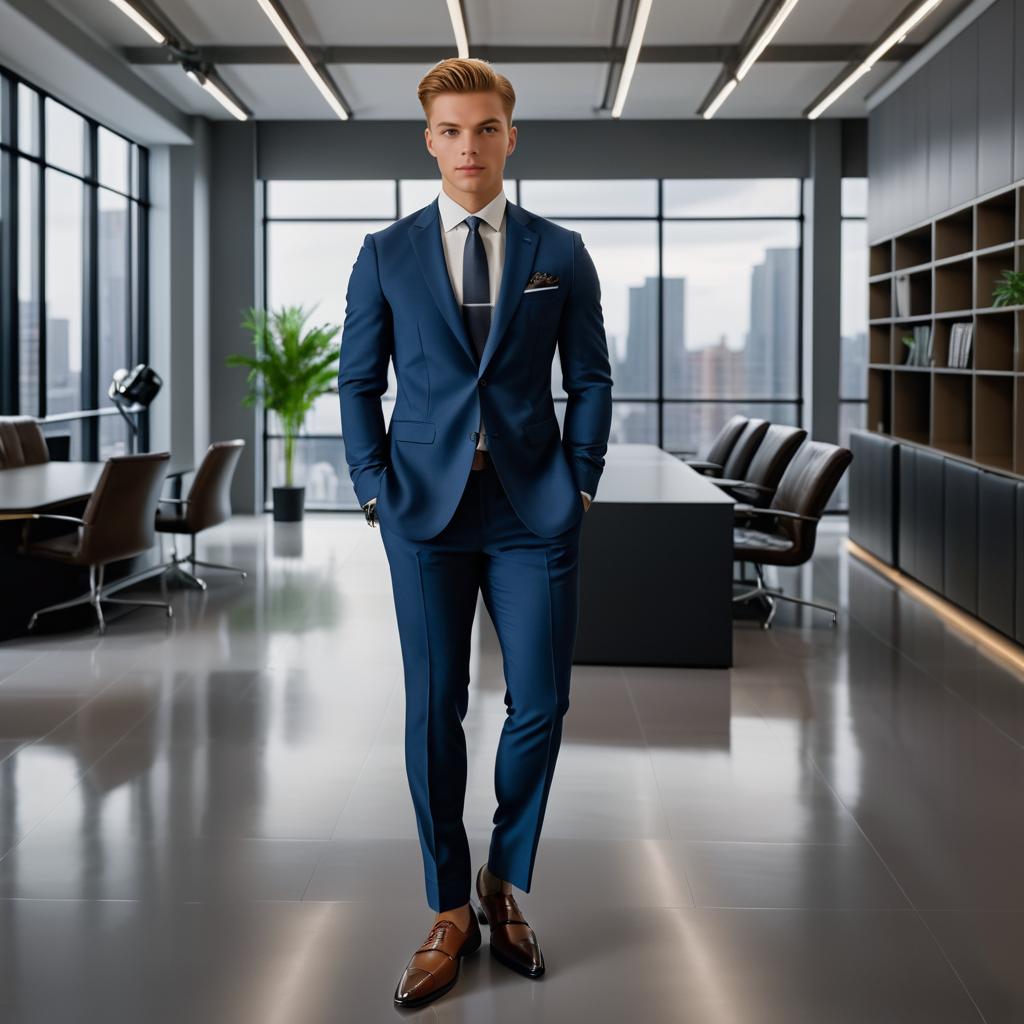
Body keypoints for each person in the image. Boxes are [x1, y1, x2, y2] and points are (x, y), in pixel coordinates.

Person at [337, 55, 613, 1009]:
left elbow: (593, 378)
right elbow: (357, 381)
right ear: (429, 140)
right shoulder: (386, 252)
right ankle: (450, 904)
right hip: (423, 512)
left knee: (539, 703)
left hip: (534, 506)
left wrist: (581, 479)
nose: (468, 146)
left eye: (484, 128)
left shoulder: (559, 250)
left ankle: (505, 880)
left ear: (510, 135)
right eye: (450, 131)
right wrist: (373, 488)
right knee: (432, 710)